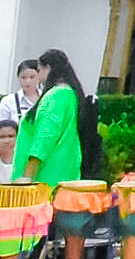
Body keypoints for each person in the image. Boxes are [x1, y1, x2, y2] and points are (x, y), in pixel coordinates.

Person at [11, 47, 85, 185]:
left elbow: (46, 136)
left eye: (39, 71)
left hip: (46, 175)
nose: (38, 76)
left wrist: (29, 173)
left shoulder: (57, 95)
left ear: (48, 69)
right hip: (62, 169)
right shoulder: (69, 93)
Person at [0, 60, 39, 126]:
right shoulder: (8, 101)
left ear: (39, 77)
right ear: (18, 78)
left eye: (32, 77)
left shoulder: (46, 98)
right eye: (23, 78)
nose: (28, 81)